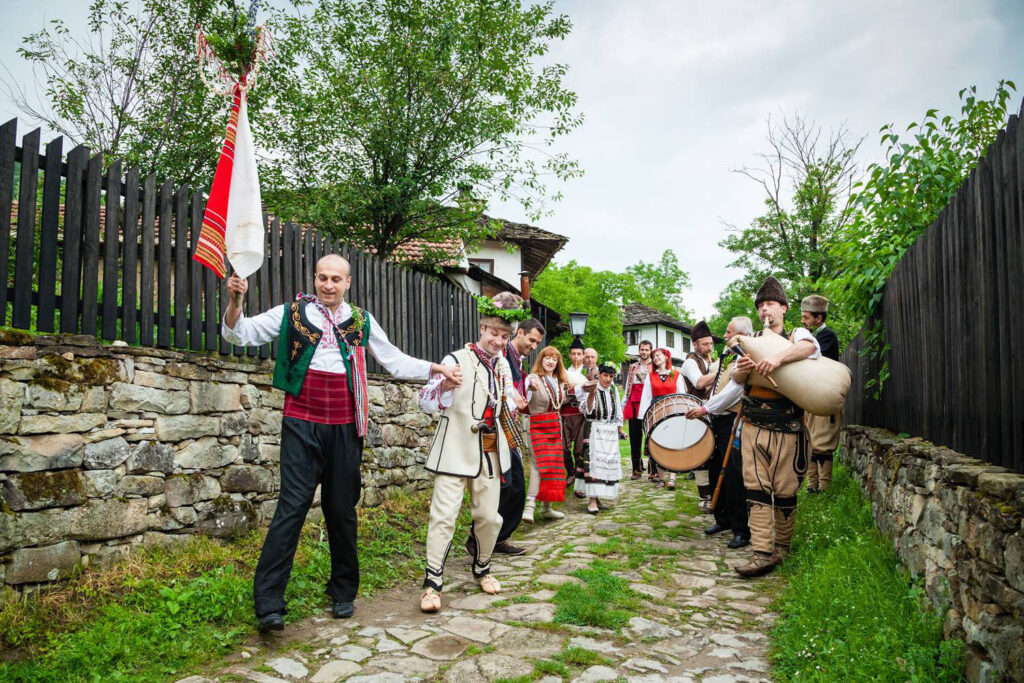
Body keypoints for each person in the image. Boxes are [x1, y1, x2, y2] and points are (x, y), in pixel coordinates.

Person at [221, 254, 461, 633]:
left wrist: (436, 368)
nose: (328, 285)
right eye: (322, 278)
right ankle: (269, 602)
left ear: (348, 282)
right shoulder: (293, 312)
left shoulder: (361, 320)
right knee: (291, 508)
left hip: (347, 426)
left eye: (335, 279)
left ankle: (343, 591)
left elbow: (394, 361)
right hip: (301, 422)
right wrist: (236, 301)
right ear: (314, 279)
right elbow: (240, 333)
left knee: (341, 509)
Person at [417, 292, 529, 612]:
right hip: (454, 447)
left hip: (490, 451)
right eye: (494, 333)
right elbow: (425, 400)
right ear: (482, 327)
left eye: (505, 336)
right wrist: (443, 388)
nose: (498, 340)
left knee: (489, 517)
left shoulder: (504, 367)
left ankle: (482, 567)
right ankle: (432, 583)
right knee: (443, 516)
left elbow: (506, 401)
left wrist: (516, 404)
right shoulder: (455, 359)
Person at [716, 276, 821, 578]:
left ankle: (782, 549)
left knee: (785, 490)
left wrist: (776, 358)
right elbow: (736, 382)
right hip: (753, 424)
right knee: (756, 488)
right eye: (761, 306)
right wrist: (741, 371)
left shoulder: (795, 334)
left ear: (784, 308)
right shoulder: (751, 341)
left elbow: (810, 347)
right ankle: (761, 552)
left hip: (787, 423)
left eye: (770, 305)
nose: (765, 310)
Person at [464, 318, 545, 557]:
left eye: (537, 343)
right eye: (531, 340)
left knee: (515, 485)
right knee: (505, 485)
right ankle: (479, 539)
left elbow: (512, 390)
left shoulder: (517, 360)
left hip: (508, 424)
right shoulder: (502, 355)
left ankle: (498, 538)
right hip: (494, 425)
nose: (533, 346)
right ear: (519, 333)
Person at [686, 316, 754, 550]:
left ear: (741, 335)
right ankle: (722, 519)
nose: (724, 336)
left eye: (728, 332)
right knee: (716, 469)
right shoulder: (729, 358)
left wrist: (705, 408)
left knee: (733, 475)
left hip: (733, 421)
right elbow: (717, 390)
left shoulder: (745, 359)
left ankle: (741, 529)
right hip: (719, 420)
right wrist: (708, 409)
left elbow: (734, 392)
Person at [522, 346, 574, 523]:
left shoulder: (559, 382)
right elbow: (524, 395)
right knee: (537, 465)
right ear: (541, 360)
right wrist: (529, 386)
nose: (551, 361)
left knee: (553, 467)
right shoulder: (533, 378)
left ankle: (546, 508)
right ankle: (529, 507)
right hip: (537, 425)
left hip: (554, 426)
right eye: (547, 358)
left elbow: (560, 402)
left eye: (554, 359)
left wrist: (577, 391)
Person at [801, 295, 841, 493]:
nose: (803, 321)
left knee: (823, 442)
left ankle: (823, 488)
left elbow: (814, 361)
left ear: (818, 318)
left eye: (806, 317)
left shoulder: (827, 337)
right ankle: (812, 485)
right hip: (814, 396)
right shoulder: (816, 337)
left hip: (825, 396)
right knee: (812, 441)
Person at [681, 321, 718, 512]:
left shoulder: (709, 361)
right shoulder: (690, 362)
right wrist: (722, 370)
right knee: (701, 453)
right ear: (694, 344)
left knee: (713, 453)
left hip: (711, 409)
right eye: (705, 344)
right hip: (695, 410)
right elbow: (700, 382)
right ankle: (704, 497)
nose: (709, 347)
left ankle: (715, 495)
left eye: (711, 344)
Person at [637, 348, 686, 489]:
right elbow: (646, 397)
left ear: (666, 356)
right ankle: (660, 479)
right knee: (658, 445)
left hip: (672, 412)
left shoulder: (676, 375)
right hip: (656, 412)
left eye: (658, 355)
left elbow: (681, 395)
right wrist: (644, 417)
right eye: (654, 356)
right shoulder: (650, 376)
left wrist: (683, 414)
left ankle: (672, 478)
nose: (656, 358)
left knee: (673, 444)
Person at [579, 360, 623, 514]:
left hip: (609, 431)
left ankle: (598, 499)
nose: (608, 379)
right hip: (594, 429)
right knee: (594, 464)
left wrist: (620, 428)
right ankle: (591, 500)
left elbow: (617, 410)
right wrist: (591, 393)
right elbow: (587, 409)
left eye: (611, 376)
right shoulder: (591, 387)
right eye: (605, 375)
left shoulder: (613, 390)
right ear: (599, 375)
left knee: (606, 464)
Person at [622, 341, 654, 479]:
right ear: (639, 350)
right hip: (634, 403)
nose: (644, 352)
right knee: (635, 437)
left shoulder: (655, 365)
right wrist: (623, 404)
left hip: (649, 404)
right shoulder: (633, 367)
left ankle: (653, 469)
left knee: (651, 436)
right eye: (642, 349)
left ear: (651, 351)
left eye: (647, 350)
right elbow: (628, 387)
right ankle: (636, 468)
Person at [561, 339, 588, 491]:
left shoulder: (588, 372)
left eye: (579, 354)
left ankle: (578, 474)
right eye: (573, 354)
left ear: (583, 355)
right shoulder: (563, 372)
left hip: (580, 413)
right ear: (569, 355)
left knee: (579, 449)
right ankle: (570, 471)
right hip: (565, 413)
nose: (576, 357)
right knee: (564, 448)